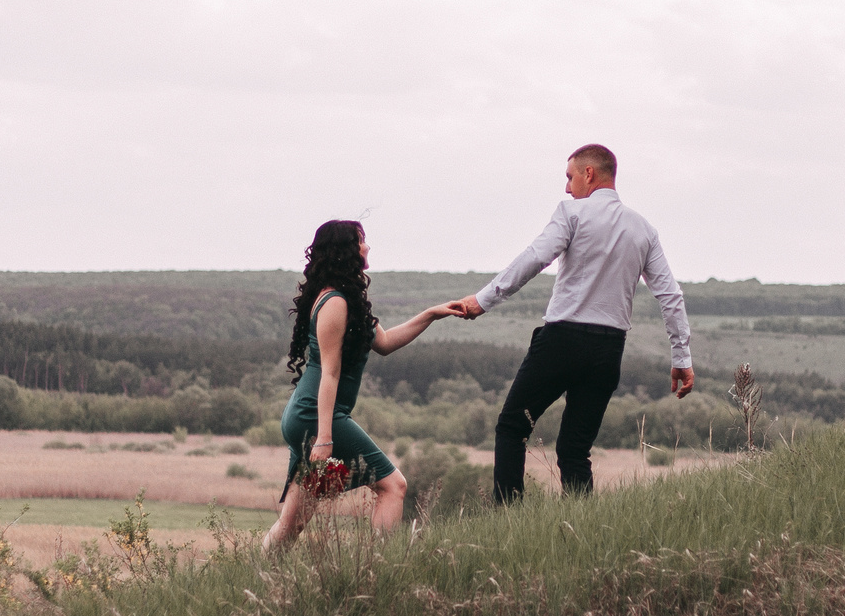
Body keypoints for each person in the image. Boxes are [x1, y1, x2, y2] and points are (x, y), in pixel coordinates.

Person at [447, 144, 693, 503]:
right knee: (575, 449)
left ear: (589, 174)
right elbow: (670, 295)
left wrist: (482, 300)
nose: (566, 187)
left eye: (569, 177)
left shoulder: (571, 212)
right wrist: (681, 357)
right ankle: (581, 525)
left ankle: (508, 521)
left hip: (562, 341)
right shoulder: (644, 230)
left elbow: (535, 258)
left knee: (512, 427)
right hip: (609, 350)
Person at [263, 219, 463, 550]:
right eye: (361, 241)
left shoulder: (347, 299)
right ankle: (379, 568)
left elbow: (383, 342)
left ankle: (258, 576)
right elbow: (329, 373)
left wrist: (432, 314)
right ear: (345, 251)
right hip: (317, 417)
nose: (367, 247)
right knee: (393, 486)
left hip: (310, 416)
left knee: (292, 523)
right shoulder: (335, 302)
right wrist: (325, 438)